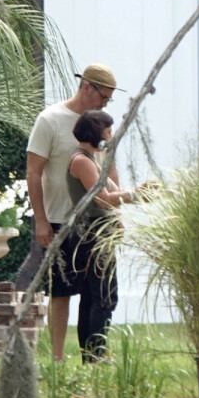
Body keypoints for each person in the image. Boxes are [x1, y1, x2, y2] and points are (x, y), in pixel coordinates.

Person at [24, 64, 120, 360]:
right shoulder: (50, 120)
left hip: (96, 223)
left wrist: (115, 214)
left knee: (97, 293)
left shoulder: (101, 124)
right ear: (87, 87)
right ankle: (57, 360)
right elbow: (33, 172)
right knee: (61, 292)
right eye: (103, 96)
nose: (106, 103)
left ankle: (92, 357)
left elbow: (110, 167)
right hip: (59, 221)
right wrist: (41, 220)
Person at [66, 109, 137, 361]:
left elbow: (108, 197)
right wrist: (136, 194)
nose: (110, 135)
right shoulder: (82, 161)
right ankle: (96, 355)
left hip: (96, 231)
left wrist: (117, 218)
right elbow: (103, 199)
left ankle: (91, 357)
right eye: (108, 130)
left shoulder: (91, 158)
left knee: (92, 297)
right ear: (96, 131)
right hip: (92, 234)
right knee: (105, 297)